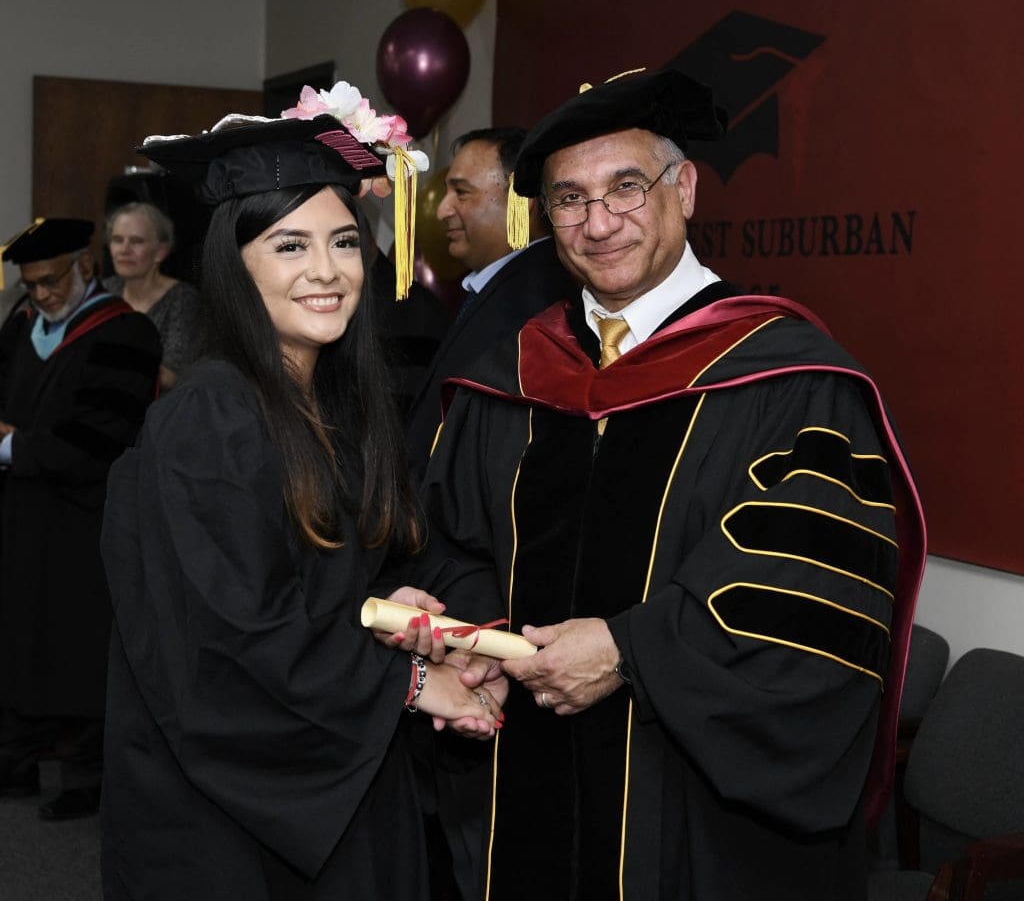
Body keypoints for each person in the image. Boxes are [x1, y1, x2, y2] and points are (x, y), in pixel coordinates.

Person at [416, 66, 927, 900]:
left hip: (702, 822)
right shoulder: (508, 377)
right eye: (569, 199)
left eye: (627, 187)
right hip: (528, 781)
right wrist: (488, 642)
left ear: (684, 189)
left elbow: (803, 600)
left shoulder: (790, 380)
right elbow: (452, 539)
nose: (598, 223)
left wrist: (630, 652)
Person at [99, 85, 501, 901]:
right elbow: (231, 642)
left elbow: (318, 577)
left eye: (345, 241)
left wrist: (395, 611)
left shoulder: (333, 404)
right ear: (235, 264)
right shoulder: (211, 418)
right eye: (289, 246)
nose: (327, 271)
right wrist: (410, 684)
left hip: (335, 776)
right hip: (230, 817)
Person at [0, 217, 160, 821]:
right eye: (32, 284)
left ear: (85, 265)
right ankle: (15, 760)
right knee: (19, 635)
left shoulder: (125, 332)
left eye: (51, 280)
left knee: (81, 645)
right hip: (22, 515)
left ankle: (87, 776)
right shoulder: (20, 328)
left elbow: (103, 437)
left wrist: (14, 446)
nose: (42, 294)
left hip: (86, 517)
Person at [406, 127, 574, 478]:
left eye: (461, 192)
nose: (443, 210)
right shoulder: (500, 286)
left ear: (521, 199)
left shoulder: (533, 303)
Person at [105, 201, 204, 389]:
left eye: (136, 241)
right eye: (117, 240)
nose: (124, 250)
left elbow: (173, 377)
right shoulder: (104, 290)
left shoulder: (183, 300)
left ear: (160, 252)